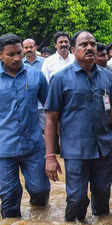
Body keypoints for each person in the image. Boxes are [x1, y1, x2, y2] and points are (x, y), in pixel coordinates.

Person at [44, 31, 112, 222]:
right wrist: (50, 156)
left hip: (105, 148)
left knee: (102, 197)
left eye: (92, 44)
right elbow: (51, 119)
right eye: (84, 44)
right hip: (75, 151)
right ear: (73, 49)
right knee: (76, 198)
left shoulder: (106, 77)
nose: (89, 47)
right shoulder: (60, 79)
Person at [0, 33, 50, 218]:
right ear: (0, 55)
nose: (17, 58)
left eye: (19, 53)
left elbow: (51, 108)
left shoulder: (36, 76)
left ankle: (40, 220)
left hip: (33, 145)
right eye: (11, 54)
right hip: (3, 149)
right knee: (9, 195)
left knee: (40, 190)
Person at [22, 38, 46, 131]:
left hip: (42, 106)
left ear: (36, 47)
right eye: (26, 47)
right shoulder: (20, 64)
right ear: (23, 49)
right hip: (26, 107)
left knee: (44, 131)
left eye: (31, 47)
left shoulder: (45, 62)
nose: (28, 49)